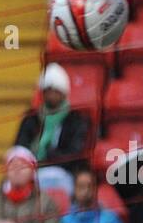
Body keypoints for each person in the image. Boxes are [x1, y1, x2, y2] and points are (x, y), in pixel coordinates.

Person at [14, 63, 90, 197]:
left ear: (64, 93)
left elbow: (76, 154)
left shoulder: (75, 120)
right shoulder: (31, 119)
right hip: (31, 171)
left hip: (63, 172)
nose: (51, 95)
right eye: (48, 90)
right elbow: (19, 148)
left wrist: (51, 157)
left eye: (56, 90)